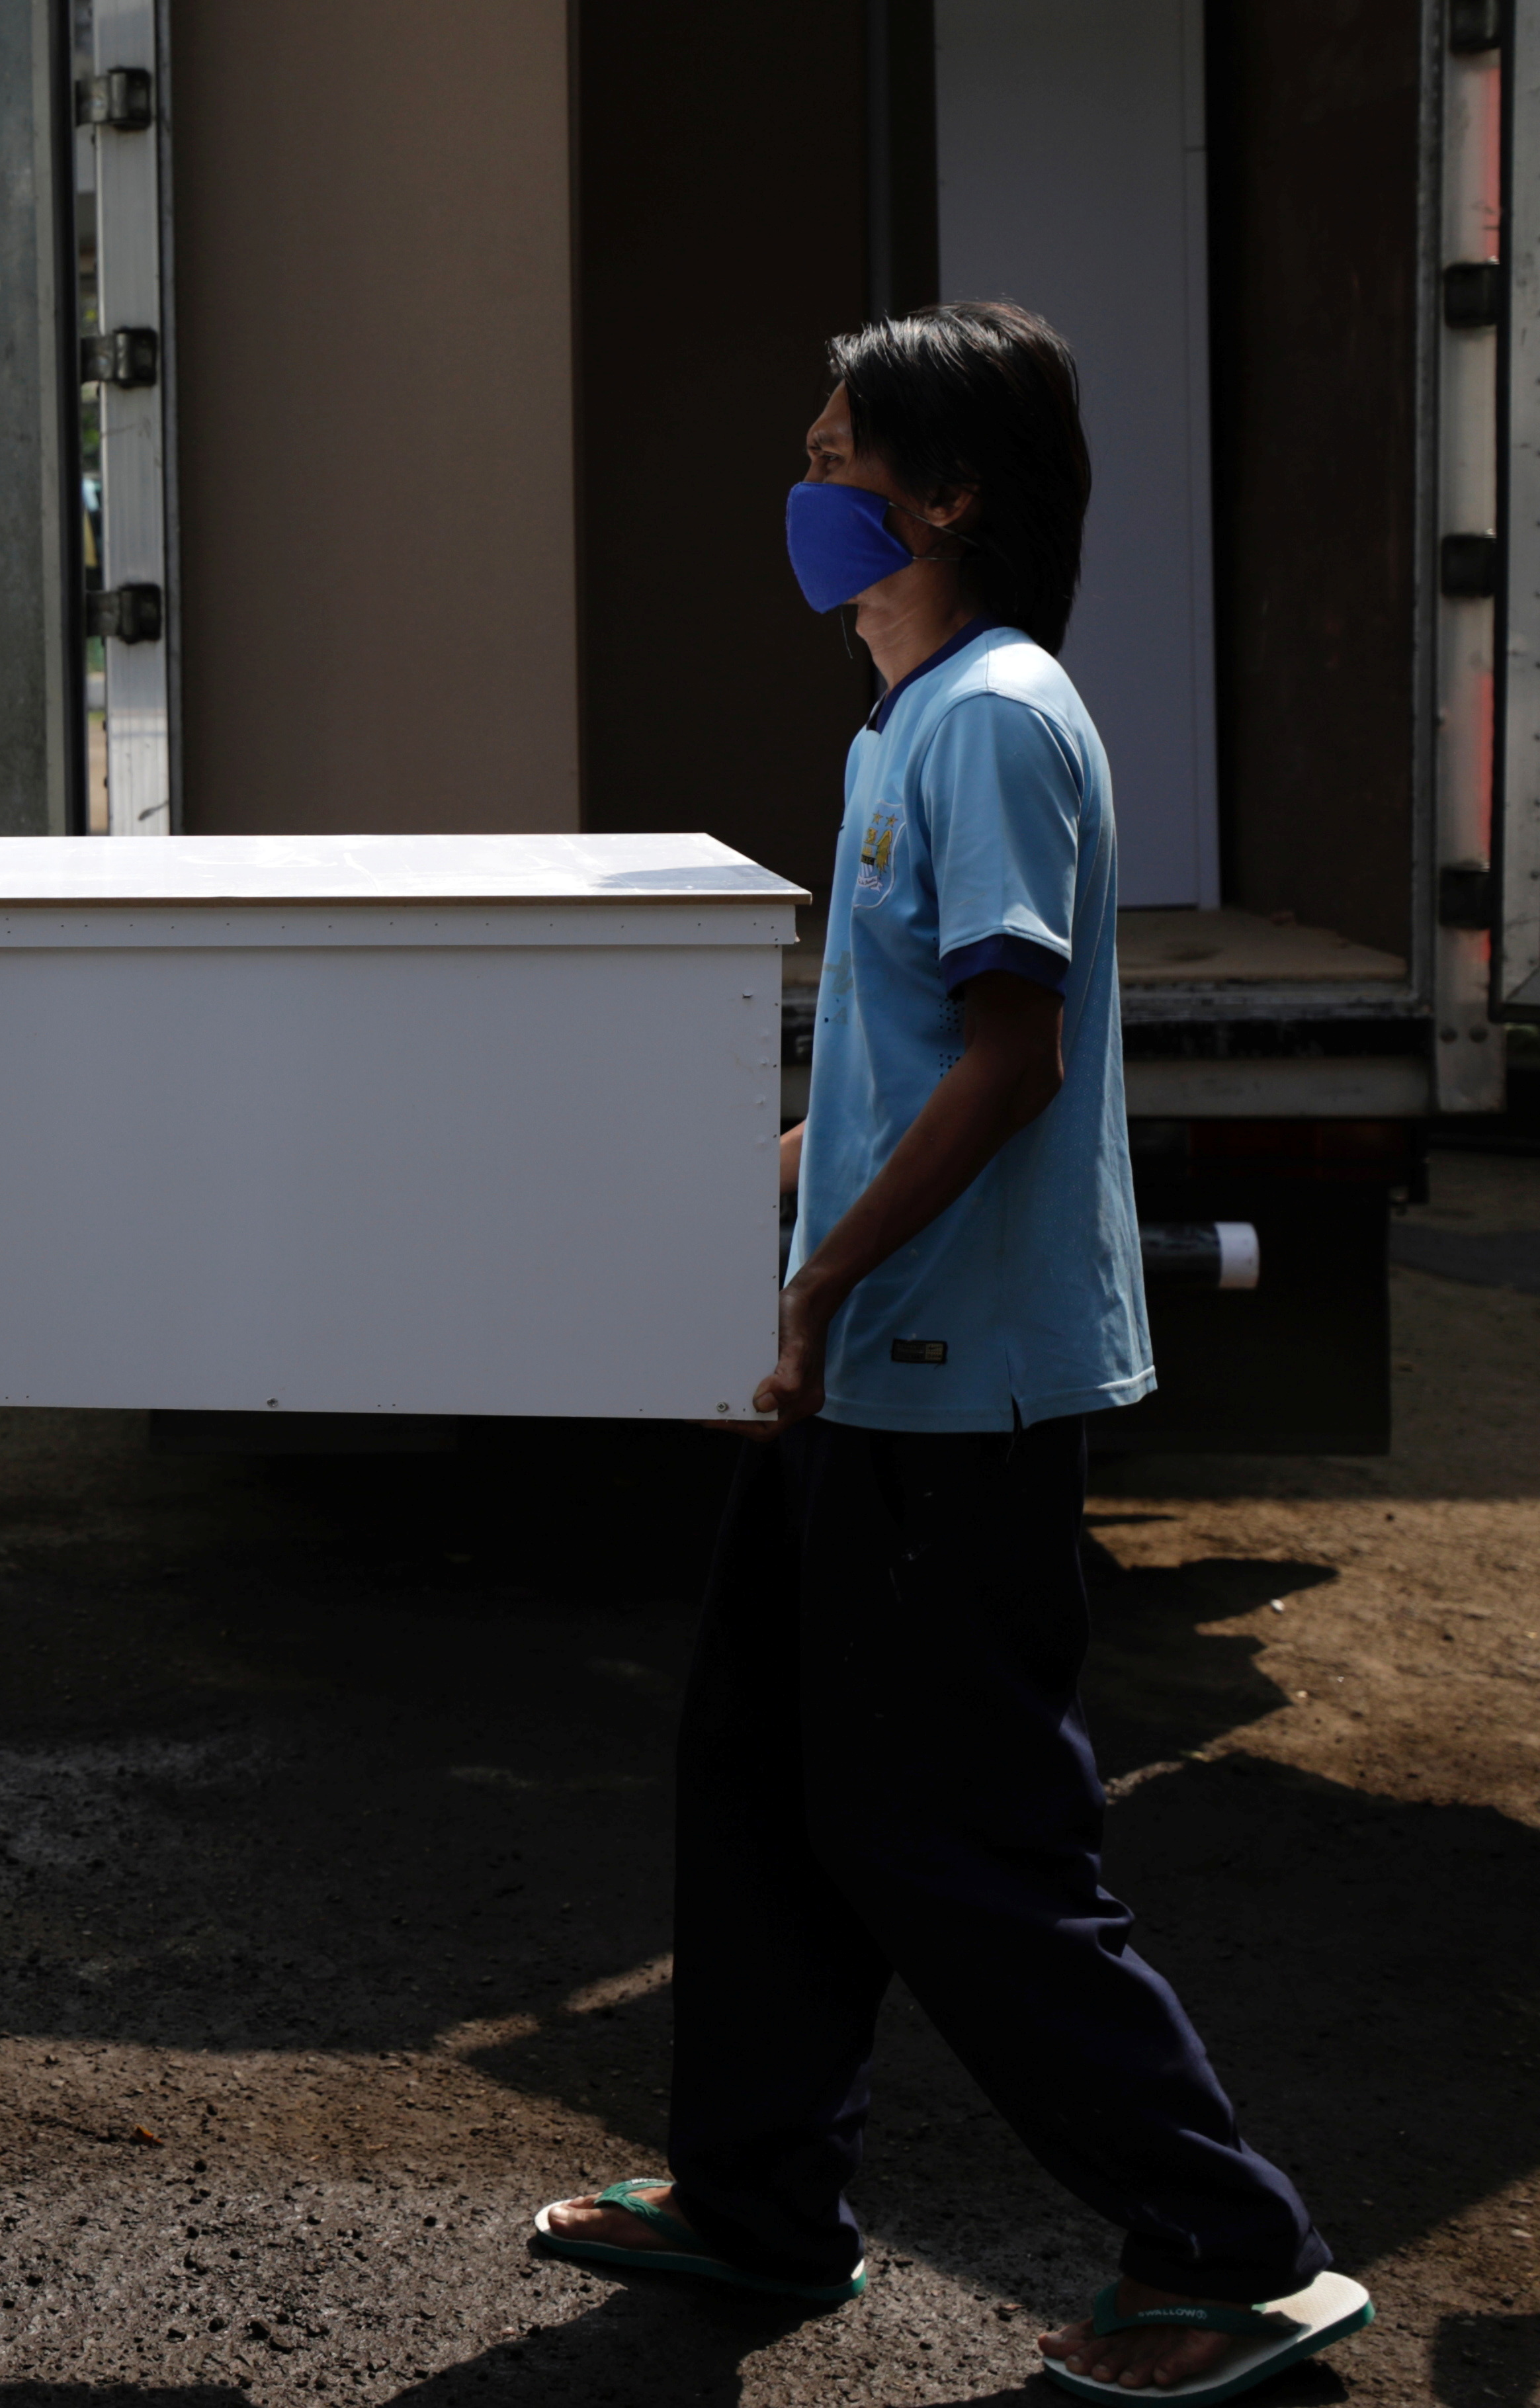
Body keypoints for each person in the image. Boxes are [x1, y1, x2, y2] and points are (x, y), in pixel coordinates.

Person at [529, 306, 1369, 2407]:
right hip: (860, 1368)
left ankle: (1225, 2249)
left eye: (835, 455)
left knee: (956, 1843)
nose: (805, 493)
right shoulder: (894, 726)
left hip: (942, 1378)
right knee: (753, 1777)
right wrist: (761, 1170)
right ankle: (753, 2197)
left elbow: (1017, 1053)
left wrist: (814, 1288)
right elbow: (917, 1062)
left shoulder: (992, 719)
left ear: (947, 488)